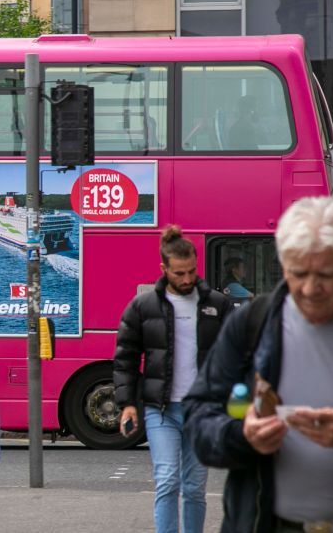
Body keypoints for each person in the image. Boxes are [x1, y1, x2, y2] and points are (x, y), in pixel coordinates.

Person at [184, 196, 333, 533]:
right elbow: (198, 420)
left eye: (326, 275)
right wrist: (242, 435)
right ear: (284, 265)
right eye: (299, 273)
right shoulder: (249, 325)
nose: (310, 288)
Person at [113, 225, 231, 533]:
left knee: (194, 487)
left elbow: (236, 355)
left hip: (201, 410)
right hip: (160, 410)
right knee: (166, 480)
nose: (188, 279)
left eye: (192, 271)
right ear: (164, 269)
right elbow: (125, 356)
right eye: (179, 273)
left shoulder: (218, 305)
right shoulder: (142, 306)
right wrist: (126, 403)